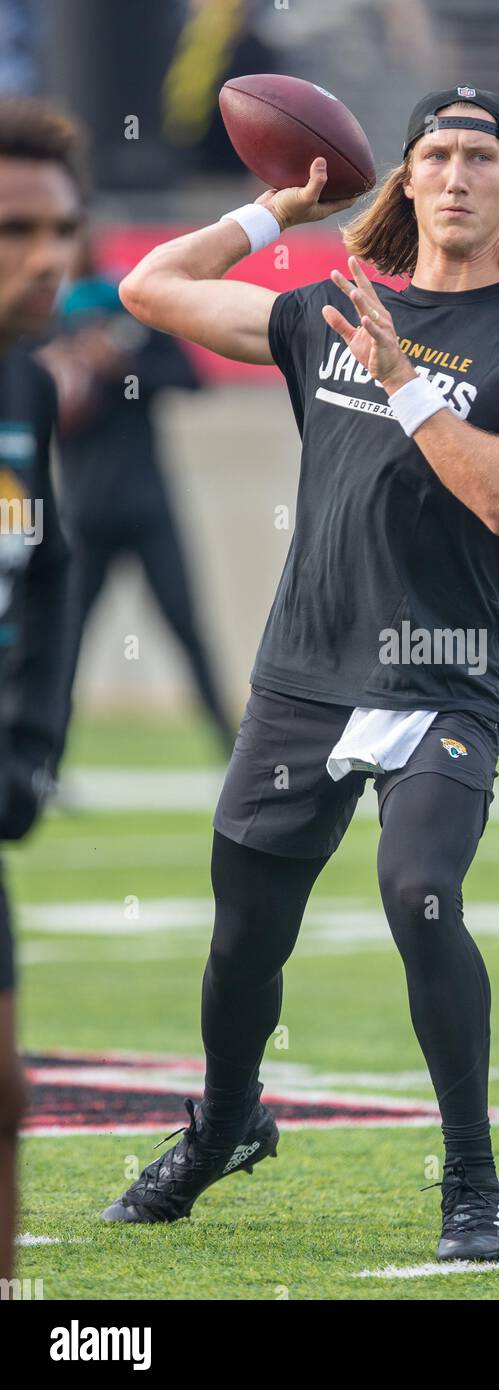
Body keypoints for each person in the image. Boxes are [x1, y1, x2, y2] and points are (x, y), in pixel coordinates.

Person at [101, 87, 499, 1262]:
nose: (452, 172)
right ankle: (227, 1121)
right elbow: (150, 290)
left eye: (478, 154)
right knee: (243, 943)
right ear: (405, 178)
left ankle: (473, 1186)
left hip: (440, 674)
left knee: (417, 890)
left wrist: (402, 376)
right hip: (305, 671)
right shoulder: (337, 306)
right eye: (431, 152)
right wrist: (271, 208)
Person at [37, 239, 236, 764]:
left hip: (147, 505)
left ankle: (234, 755)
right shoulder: (49, 327)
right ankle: (44, 759)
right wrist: (65, 375)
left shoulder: (132, 320)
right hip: (83, 511)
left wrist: (120, 367)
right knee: (66, 639)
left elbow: (193, 379)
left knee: (186, 626)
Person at [0, 95, 84, 1280]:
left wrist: (32, 747)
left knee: (5, 1089)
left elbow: (52, 566)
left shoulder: (23, 393)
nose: (46, 258)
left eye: (61, 230)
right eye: (14, 229)